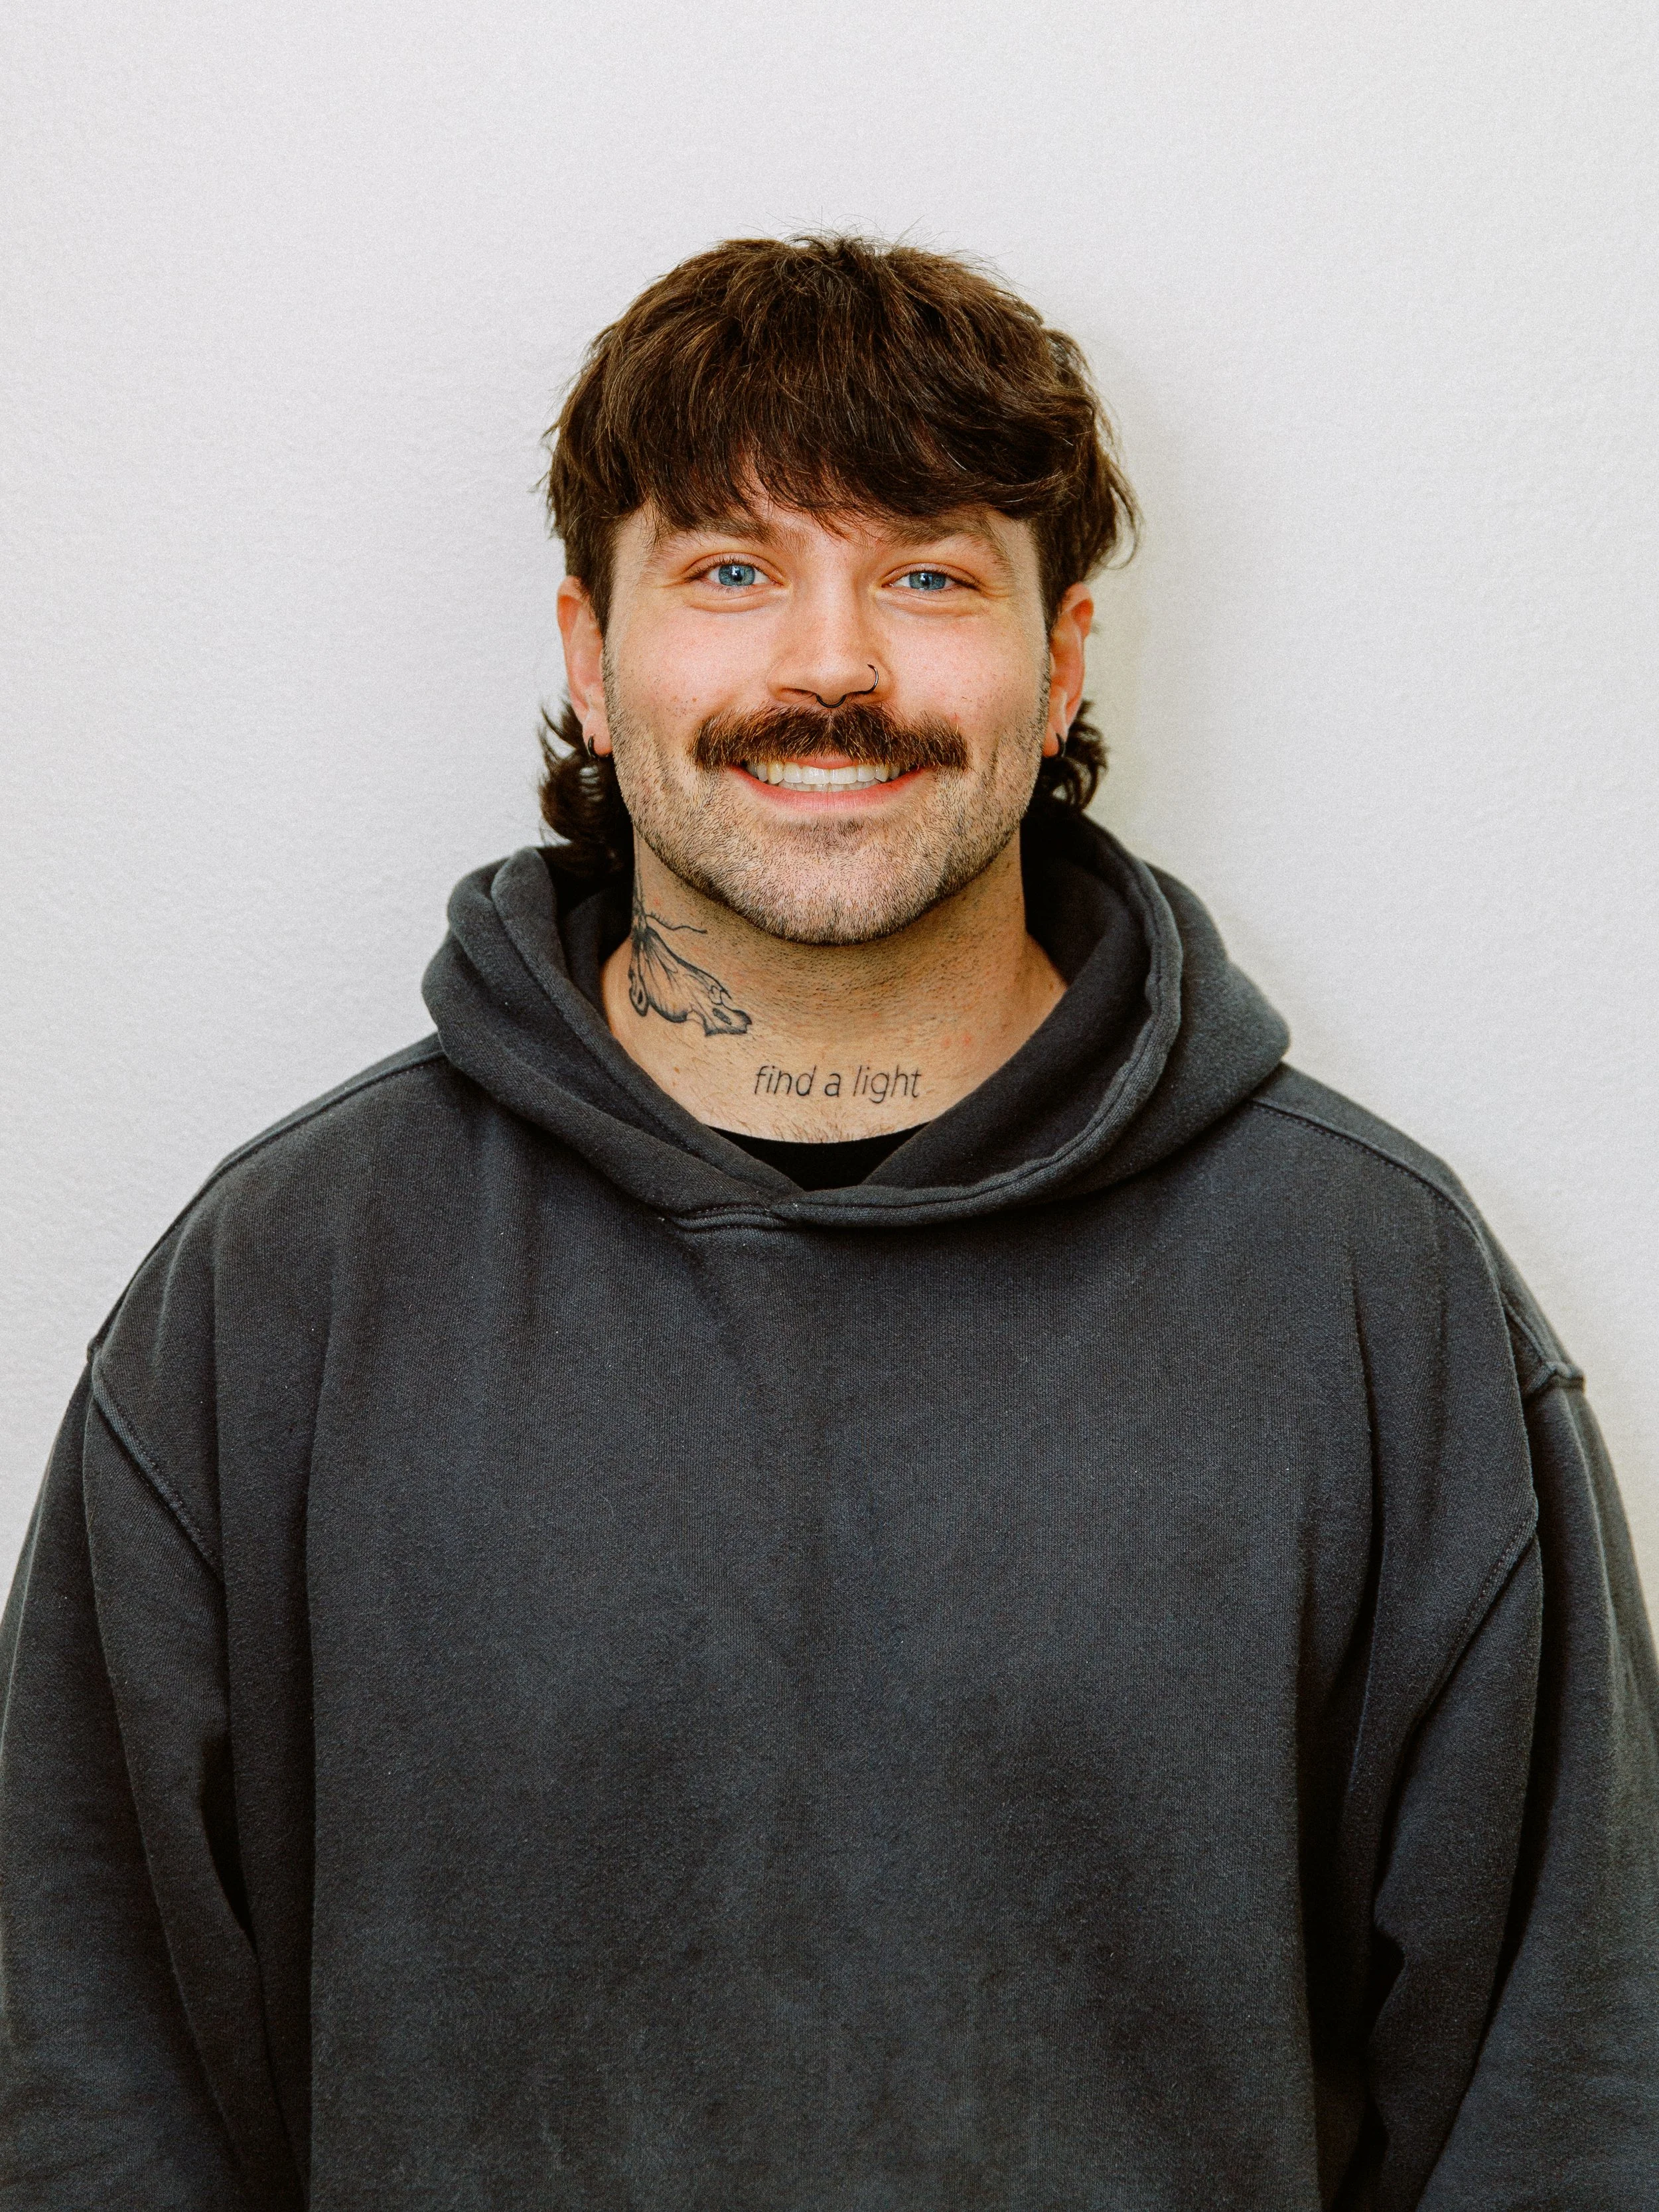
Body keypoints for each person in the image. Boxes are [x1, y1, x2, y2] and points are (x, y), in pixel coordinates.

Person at [1, 234, 1654, 2212]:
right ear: (585, 656)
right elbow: (78, 2086)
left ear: (1058, 669)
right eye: (726, 570)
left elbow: (1566, 2098)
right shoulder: (281, 1295)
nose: (829, 666)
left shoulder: (1370, 1293)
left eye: (930, 574)